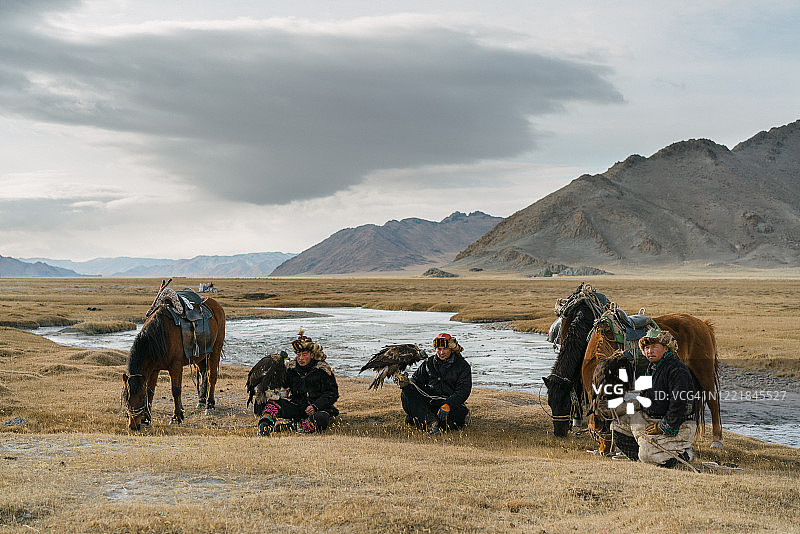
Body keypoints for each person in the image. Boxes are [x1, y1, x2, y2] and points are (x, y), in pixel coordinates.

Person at [611, 328, 697, 467]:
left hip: (678, 425)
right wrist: (620, 408)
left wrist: (663, 426)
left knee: (647, 456)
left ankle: (685, 454)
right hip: (650, 419)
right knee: (618, 426)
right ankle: (644, 456)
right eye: (646, 348)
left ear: (666, 348)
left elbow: (680, 404)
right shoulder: (652, 368)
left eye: (654, 347)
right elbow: (644, 398)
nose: (649, 351)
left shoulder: (677, 370)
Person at [258, 330, 339, 436]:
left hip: (317, 409)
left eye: (304, 355)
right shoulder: (291, 369)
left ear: (312, 355)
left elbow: (332, 394)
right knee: (272, 404)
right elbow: (282, 386)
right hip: (297, 406)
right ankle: (264, 429)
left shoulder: (323, 370)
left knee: (321, 419)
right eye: (298, 354)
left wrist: (315, 406)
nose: (300, 358)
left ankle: (291, 427)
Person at [395, 332, 472, 435]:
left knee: (451, 422)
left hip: (450, 404)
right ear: (435, 349)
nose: (442, 352)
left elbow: (463, 391)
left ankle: (421, 418)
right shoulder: (429, 362)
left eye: (445, 349)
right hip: (430, 401)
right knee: (407, 390)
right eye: (439, 349)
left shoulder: (463, 366)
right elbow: (415, 381)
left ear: (451, 349)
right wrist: (405, 383)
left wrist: (448, 404)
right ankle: (430, 421)